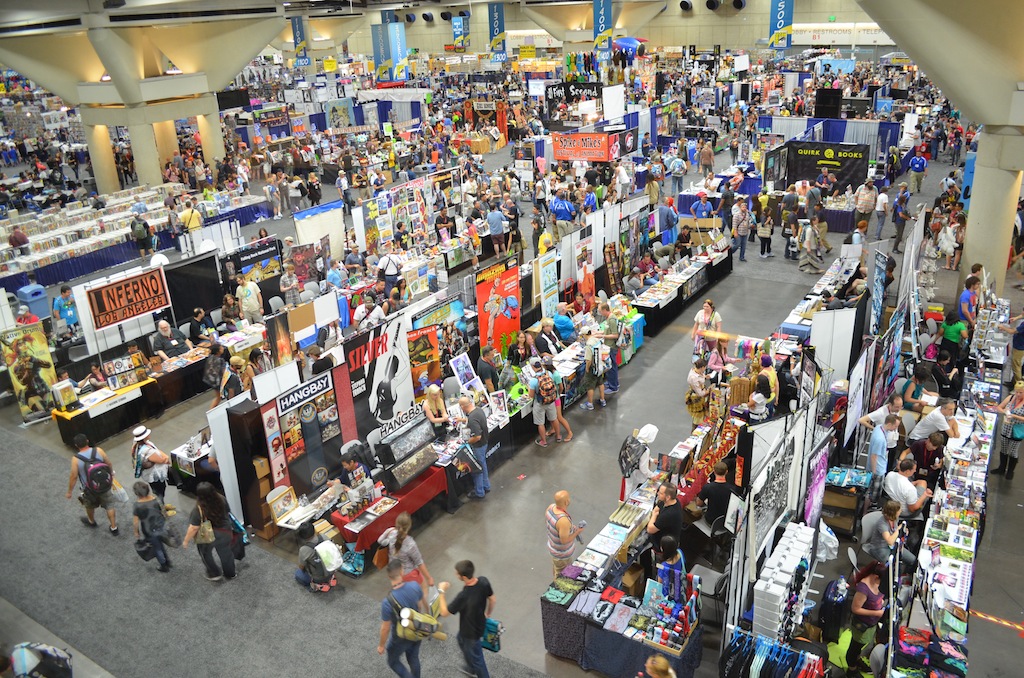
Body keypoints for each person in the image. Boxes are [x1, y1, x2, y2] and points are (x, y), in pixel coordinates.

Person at [437, 560, 496, 678]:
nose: (455, 575)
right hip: (478, 624)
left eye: (457, 573)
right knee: (460, 639)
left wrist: (441, 591)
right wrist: (488, 613)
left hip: (470, 633)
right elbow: (492, 599)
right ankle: (471, 667)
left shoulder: (463, 597)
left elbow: (444, 612)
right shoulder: (483, 581)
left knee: (478, 660)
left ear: (463, 577)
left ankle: (475, 669)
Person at [379, 559, 425, 678]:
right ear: (402, 572)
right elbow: (419, 606)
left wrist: (381, 645)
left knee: (393, 661)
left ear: (389, 577)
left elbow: (385, 628)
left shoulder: (387, 603)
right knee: (413, 658)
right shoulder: (415, 586)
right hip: (416, 629)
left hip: (400, 636)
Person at [181, 481, 236, 582]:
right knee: (226, 553)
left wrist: (186, 541)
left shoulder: (199, 509)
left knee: (205, 553)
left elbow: (194, 528)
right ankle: (230, 573)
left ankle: (214, 573)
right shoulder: (221, 498)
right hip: (225, 532)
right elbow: (227, 512)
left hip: (208, 535)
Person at [67, 434, 118, 534]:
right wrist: (111, 474)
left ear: (76, 445)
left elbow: (73, 476)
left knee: (89, 506)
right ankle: (113, 527)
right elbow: (109, 463)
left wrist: (69, 491)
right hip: (104, 484)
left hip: (89, 488)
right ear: (87, 441)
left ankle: (92, 521)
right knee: (109, 505)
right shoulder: (98, 451)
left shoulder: (76, 459)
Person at [846, 561, 888, 675]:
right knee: (854, 648)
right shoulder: (863, 588)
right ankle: (851, 670)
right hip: (862, 625)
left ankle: (857, 660)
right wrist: (877, 613)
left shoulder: (878, 583)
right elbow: (855, 609)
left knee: (859, 646)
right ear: (876, 577)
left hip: (871, 624)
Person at [378, 512, 434, 586]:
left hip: (394, 571)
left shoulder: (390, 531)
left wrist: (388, 541)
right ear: (409, 526)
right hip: (408, 574)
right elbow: (419, 562)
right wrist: (429, 578)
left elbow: (380, 540)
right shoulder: (410, 544)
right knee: (422, 589)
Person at [644, 482, 683, 578]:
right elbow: (658, 507)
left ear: (668, 497)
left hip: (663, 550)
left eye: (661, 493)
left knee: (659, 570)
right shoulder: (669, 502)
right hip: (664, 541)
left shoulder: (669, 514)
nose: (658, 494)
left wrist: (654, 515)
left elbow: (650, 529)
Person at [132, 480, 172, 572]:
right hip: (161, 526)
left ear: (136, 493)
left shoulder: (137, 505)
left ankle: (164, 565)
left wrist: (136, 532)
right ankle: (168, 561)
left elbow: (135, 522)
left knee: (157, 548)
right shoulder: (156, 499)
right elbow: (163, 511)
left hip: (149, 530)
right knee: (161, 544)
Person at [130, 425, 173, 506]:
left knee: (158, 491)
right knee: (160, 492)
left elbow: (157, 451)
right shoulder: (147, 450)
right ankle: (161, 509)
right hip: (154, 475)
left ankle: (162, 506)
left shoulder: (138, 445)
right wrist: (166, 458)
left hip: (150, 474)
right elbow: (161, 460)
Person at [546, 490, 584, 578]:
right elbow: (565, 540)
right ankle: (557, 588)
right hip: (561, 555)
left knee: (556, 568)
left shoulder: (550, 508)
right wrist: (578, 531)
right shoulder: (563, 520)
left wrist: (569, 528)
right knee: (562, 574)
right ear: (566, 502)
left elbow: (551, 525)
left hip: (553, 548)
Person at [460, 395, 490, 500]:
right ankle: (486, 486)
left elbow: (477, 437)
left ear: (463, 407)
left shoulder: (472, 418)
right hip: (484, 443)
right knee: (483, 465)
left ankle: (479, 492)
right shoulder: (478, 410)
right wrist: (463, 420)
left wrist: (468, 441)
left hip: (478, 446)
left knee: (477, 469)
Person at [294, 521, 337, 592]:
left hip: (319, 578)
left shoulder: (304, 550)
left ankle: (317, 585)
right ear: (314, 530)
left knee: (298, 574)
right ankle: (331, 578)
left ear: (301, 537)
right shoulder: (323, 537)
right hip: (332, 569)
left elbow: (301, 567)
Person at [993, 381, 1024, 478]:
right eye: (1017, 392)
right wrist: (1005, 412)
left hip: (1017, 430)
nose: (1018, 394)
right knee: (1003, 448)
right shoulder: (1010, 398)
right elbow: (999, 407)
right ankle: (1001, 468)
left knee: (1013, 451)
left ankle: (1010, 471)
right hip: (1006, 428)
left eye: (1021, 392)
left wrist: (1014, 416)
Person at [868, 415, 900, 505]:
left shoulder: (879, 428)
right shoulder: (880, 439)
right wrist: (874, 473)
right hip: (878, 470)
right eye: (895, 426)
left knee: (871, 492)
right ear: (889, 424)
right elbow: (874, 456)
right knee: (874, 494)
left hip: (881, 466)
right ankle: (871, 508)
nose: (895, 429)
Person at [696, 461, 736, 529]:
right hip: (726, 522)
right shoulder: (733, 489)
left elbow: (699, 503)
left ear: (714, 472)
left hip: (711, 521)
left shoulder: (708, 487)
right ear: (726, 472)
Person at [578, 328, 607, 411]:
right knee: (600, 382)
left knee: (590, 385)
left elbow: (588, 360)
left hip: (593, 367)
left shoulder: (588, 345)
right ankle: (602, 400)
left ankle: (590, 404)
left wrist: (587, 369)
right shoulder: (596, 339)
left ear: (584, 335)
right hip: (600, 365)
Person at [685, 358, 709, 428]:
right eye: (705, 367)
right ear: (702, 367)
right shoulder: (693, 378)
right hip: (697, 398)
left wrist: (705, 376)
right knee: (697, 417)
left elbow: (701, 376)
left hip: (700, 394)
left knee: (700, 416)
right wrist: (707, 391)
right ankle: (695, 430)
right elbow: (700, 393)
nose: (705, 369)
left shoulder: (696, 371)